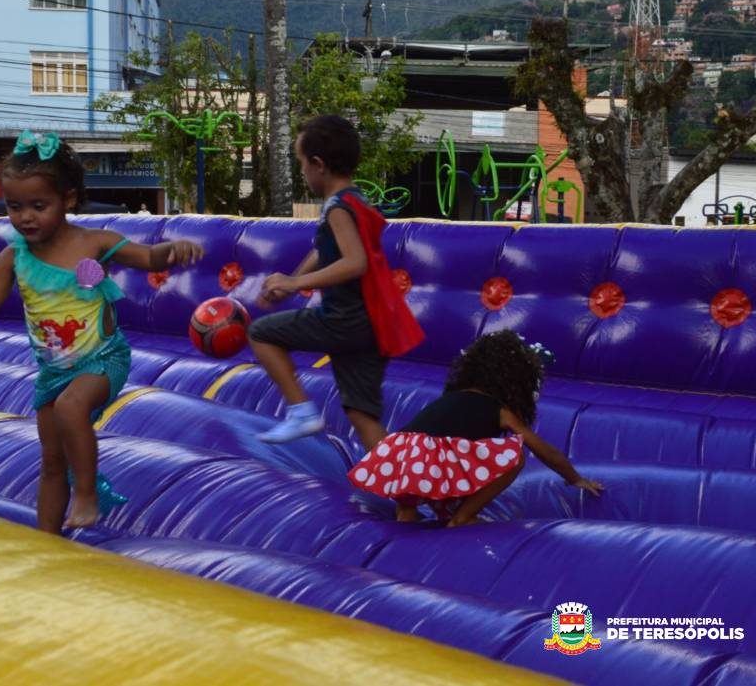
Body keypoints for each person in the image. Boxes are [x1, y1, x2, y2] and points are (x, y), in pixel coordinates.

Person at [0, 130, 203, 532]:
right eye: (14, 206)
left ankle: (86, 494)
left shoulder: (93, 243)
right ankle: (47, 540)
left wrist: (173, 250)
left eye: (39, 206)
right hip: (54, 373)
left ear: (67, 200)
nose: (25, 217)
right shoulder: (13, 258)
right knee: (52, 461)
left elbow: (146, 257)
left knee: (72, 408)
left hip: (102, 359)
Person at [248, 115, 423, 449]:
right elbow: (325, 250)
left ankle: (301, 412)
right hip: (369, 325)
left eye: (301, 163)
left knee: (260, 333)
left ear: (319, 165)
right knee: (361, 414)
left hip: (345, 320)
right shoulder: (354, 199)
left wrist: (295, 284)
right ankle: (398, 481)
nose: (302, 172)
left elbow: (355, 262)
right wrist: (290, 281)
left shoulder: (338, 208)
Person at [348, 330, 604, 526]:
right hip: (421, 464)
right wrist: (575, 478)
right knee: (514, 457)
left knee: (450, 457)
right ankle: (463, 518)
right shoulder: (500, 410)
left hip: (394, 459)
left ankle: (406, 514)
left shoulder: (454, 396)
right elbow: (544, 451)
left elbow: (427, 447)